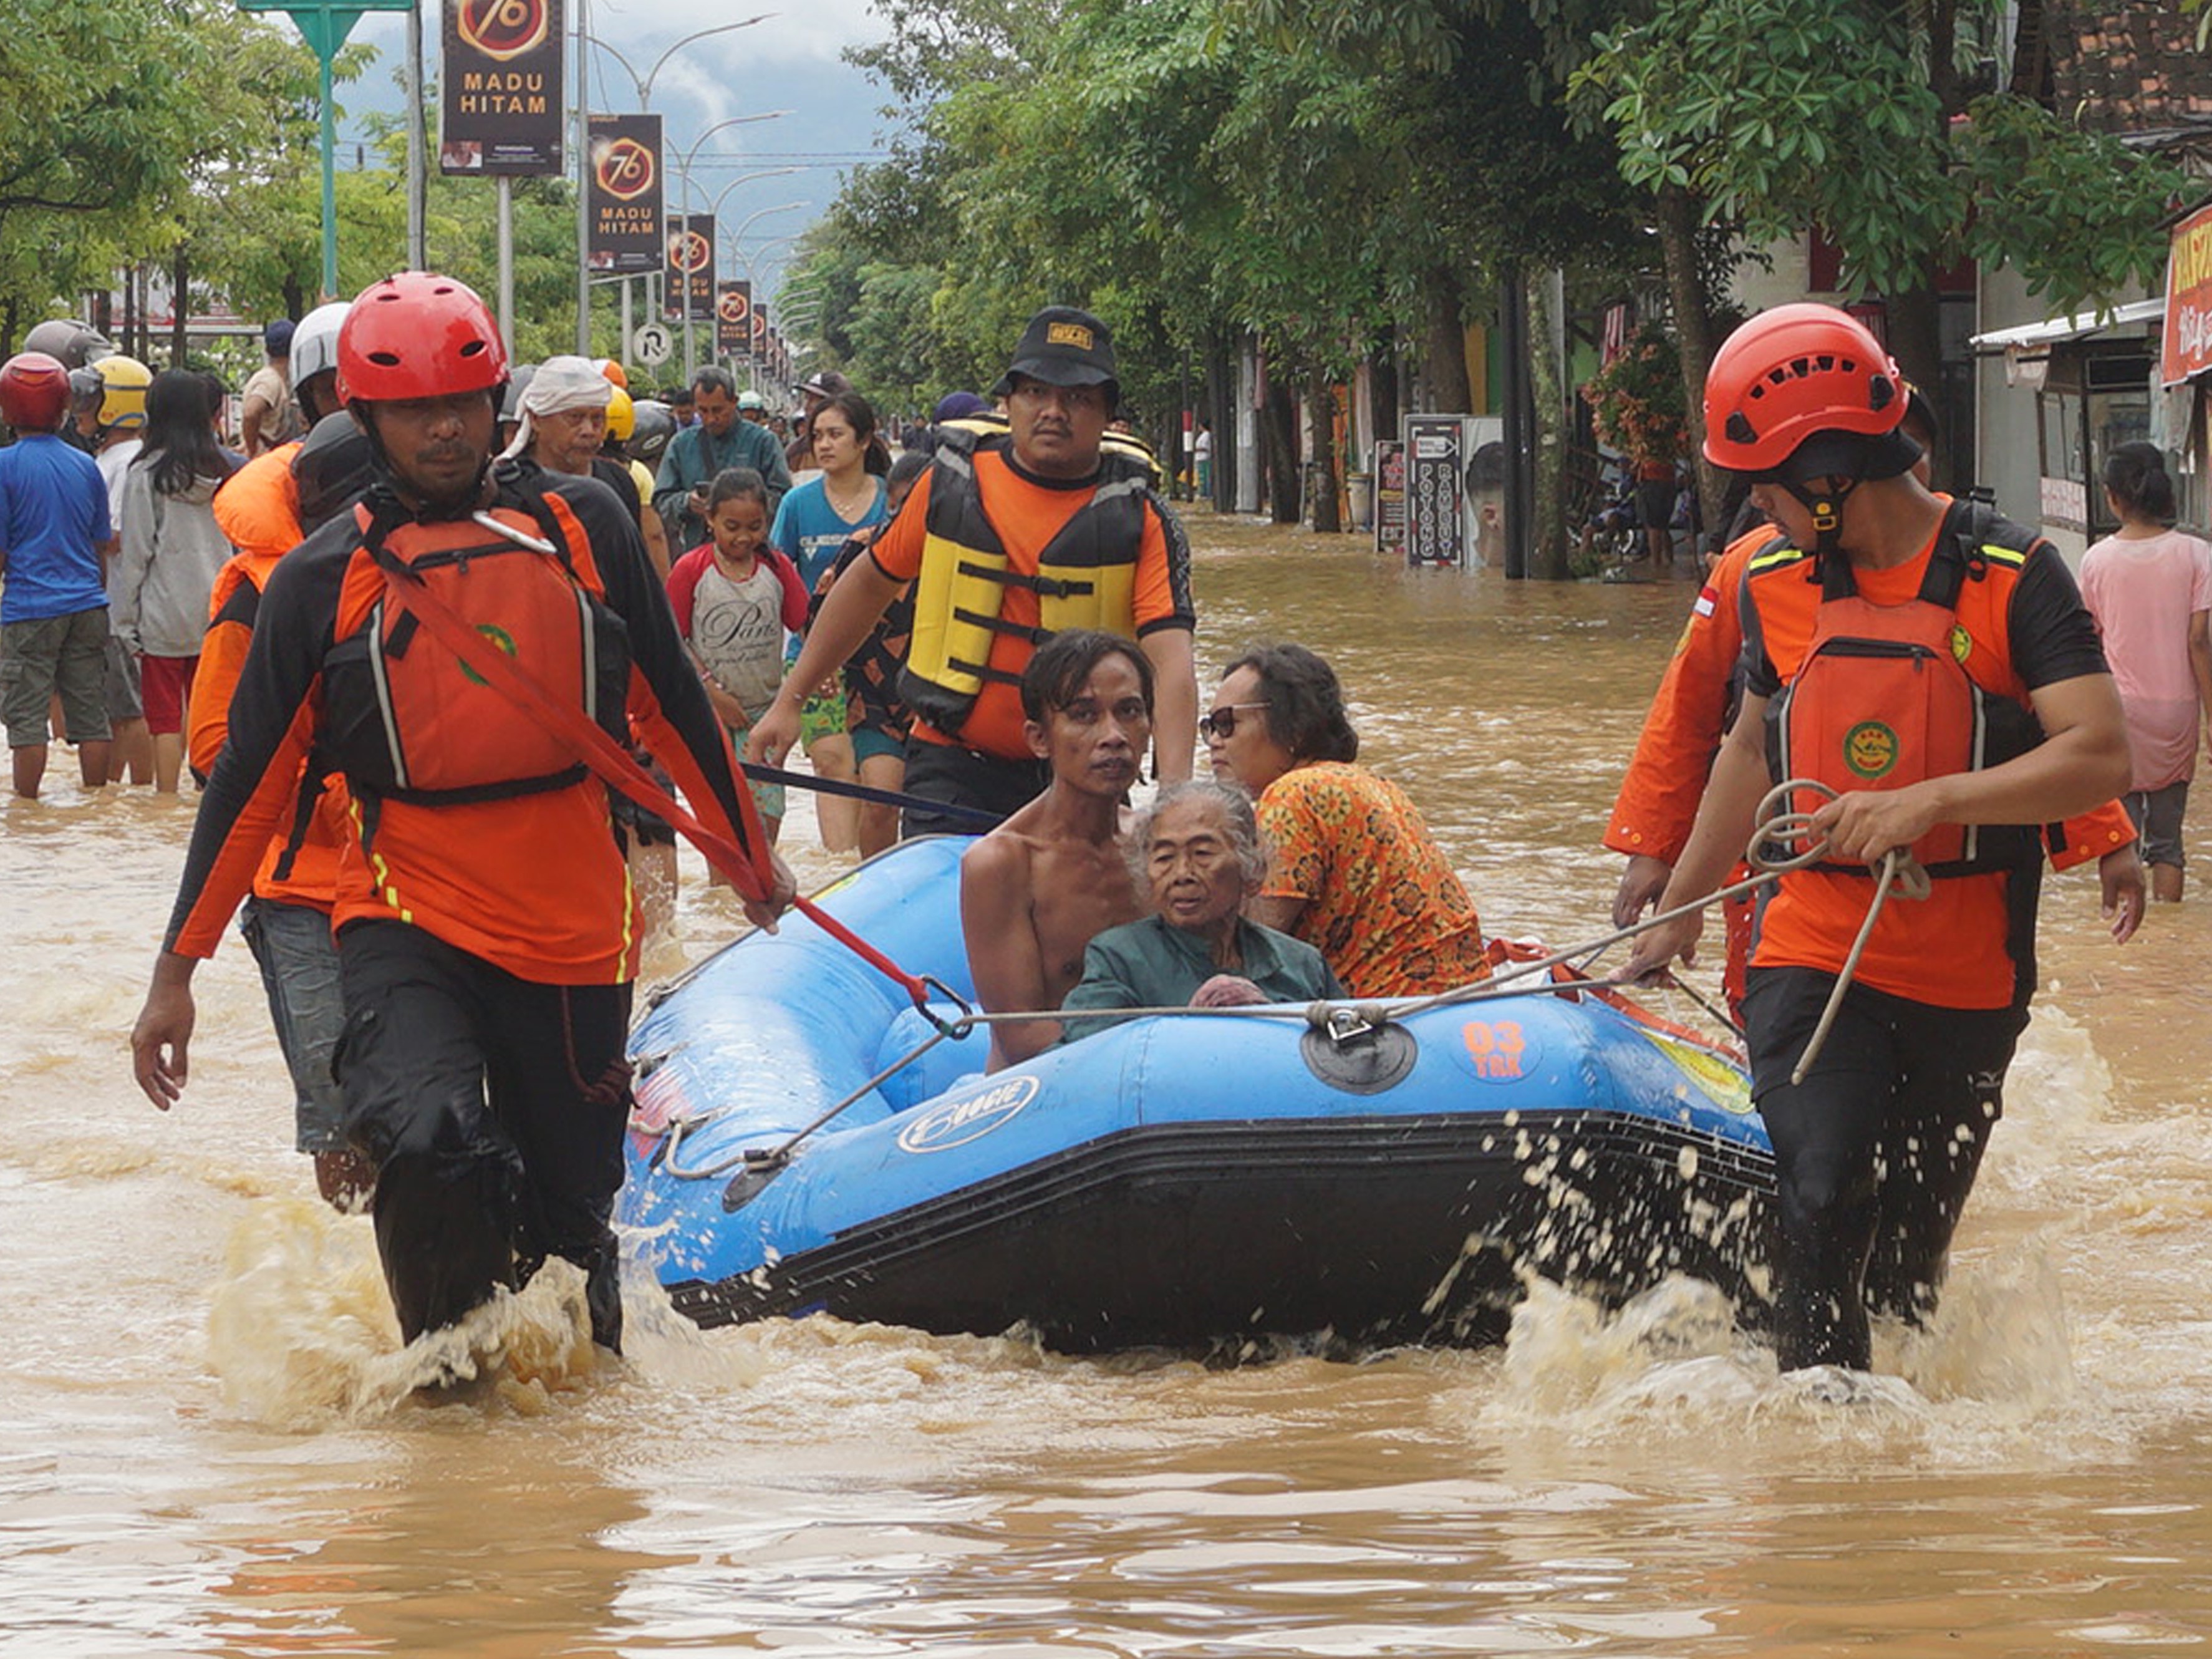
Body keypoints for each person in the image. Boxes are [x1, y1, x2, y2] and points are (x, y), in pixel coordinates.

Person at [130, 271, 794, 1370]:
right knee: (428, 1137)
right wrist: (175, 974)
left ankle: (577, 1423)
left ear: (497, 405)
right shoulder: (317, 581)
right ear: (365, 419)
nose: (442, 428)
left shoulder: (584, 525)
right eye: (411, 409)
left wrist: (748, 860)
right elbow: (247, 785)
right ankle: (444, 1401)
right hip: (405, 910)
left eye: (460, 403)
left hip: (571, 918)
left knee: (571, 1224)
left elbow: (669, 705)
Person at [1616, 302, 2130, 1375]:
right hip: (1811, 947)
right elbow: (1747, 750)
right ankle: (1820, 1448)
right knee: (1816, 1194)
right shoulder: (1769, 580)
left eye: (1763, 487)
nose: (1753, 511)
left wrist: (1929, 803)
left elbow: (2097, 754)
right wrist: (1679, 910)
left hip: (1965, 972)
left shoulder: (2013, 573)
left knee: (1901, 1273)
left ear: (1828, 474)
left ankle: (1894, 1457)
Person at [1606, 386, 2145, 1018]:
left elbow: (2034, 728)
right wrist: (1659, 856)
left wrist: (2108, 837)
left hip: (1947, 924)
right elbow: (1694, 715)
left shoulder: (1995, 571)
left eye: (1912, 448)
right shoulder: (1756, 569)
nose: (1905, 467)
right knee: (1775, 1017)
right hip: (1787, 882)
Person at [750, 306, 1198, 836]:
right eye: (1036, 392)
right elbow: (868, 585)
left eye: (1078, 398)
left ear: (1107, 415)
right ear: (1008, 402)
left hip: (1084, 778)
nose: (1053, 412)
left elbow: (1171, 664)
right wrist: (790, 701)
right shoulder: (949, 486)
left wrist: (1174, 800)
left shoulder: (1141, 519)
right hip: (952, 766)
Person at [191, 410, 379, 1211]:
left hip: (414, 880)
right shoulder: (254, 598)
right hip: (300, 891)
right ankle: (349, 1260)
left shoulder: (430, 571)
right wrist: (328, 788)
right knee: (338, 1116)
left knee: (431, 1102)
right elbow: (212, 750)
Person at [1205, 642, 1487, 997]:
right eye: (1209, 727)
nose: (1213, 741)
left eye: (1227, 723)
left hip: (1393, 1008)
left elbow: (1258, 946)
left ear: (1292, 729)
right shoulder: (1374, 783)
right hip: (1468, 994)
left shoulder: (1292, 795)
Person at [960, 629, 1155, 1071]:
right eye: (1084, 715)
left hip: (1156, 1073)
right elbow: (1022, 1036)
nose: (1113, 736)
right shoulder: (1003, 863)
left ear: (1149, 728)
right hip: (1048, 1086)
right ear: (1039, 739)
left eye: (1129, 711)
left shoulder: (1158, 844)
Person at [1061, 780, 1343, 1038]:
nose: (1182, 874)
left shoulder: (1302, 964)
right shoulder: (1119, 958)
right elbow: (1085, 1047)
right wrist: (1189, 1028)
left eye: (1202, 854)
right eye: (1164, 857)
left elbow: (1352, 1050)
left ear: (1253, 868)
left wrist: (1272, 1025)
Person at [2080, 442, 2212, 903]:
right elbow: (2198, 642)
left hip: (2120, 710)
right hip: (2176, 712)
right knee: (2168, 844)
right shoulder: (2196, 554)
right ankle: (2169, 937)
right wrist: (2211, 718)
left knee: (2121, 841)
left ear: (2112, 497)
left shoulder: (2096, 559)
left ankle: (2128, 940)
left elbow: (2088, 642)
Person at [771, 390, 891, 854]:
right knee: (830, 764)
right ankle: (840, 871)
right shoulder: (796, 505)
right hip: (813, 656)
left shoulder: (891, 501)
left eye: (835, 435)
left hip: (884, 662)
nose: (823, 445)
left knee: (875, 772)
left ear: (864, 440)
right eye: (817, 435)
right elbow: (779, 579)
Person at [111, 369, 238, 793]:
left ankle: (165, 803)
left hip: (163, 612)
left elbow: (137, 555)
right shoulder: (224, 472)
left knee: (164, 718)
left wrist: (125, 621)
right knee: (208, 713)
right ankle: (205, 800)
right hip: (217, 608)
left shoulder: (146, 474)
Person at [668, 467, 809, 843]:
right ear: (710, 519)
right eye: (732, 527)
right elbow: (673, 640)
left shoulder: (776, 569)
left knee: (766, 827)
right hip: (709, 714)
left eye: (755, 527)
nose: (744, 538)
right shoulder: (691, 570)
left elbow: (805, 626)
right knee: (724, 830)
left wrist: (811, 686)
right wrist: (712, 692)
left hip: (765, 715)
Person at [0, 351, 115, 798]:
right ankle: (97, 807)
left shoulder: (5, 467)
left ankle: (27, 815)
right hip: (88, 605)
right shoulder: (86, 465)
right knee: (91, 715)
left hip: (30, 608)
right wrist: (95, 596)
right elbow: (99, 544)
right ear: (64, 408)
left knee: (27, 721)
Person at [813, 450, 928, 857]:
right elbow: (822, 612)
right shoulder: (863, 547)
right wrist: (821, 671)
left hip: (937, 699)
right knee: (880, 802)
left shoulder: (958, 552)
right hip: (872, 696)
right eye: (897, 507)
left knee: (930, 813)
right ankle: (876, 879)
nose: (904, 518)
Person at [74, 354, 155, 785]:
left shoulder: (126, 463)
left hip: (120, 603)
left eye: (88, 402)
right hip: (108, 602)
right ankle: (111, 795)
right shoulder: (110, 460)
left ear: (114, 407)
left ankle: (145, 793)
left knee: (129, 710)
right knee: (116, 708)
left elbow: (118, 535)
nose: (79, 411)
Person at [652, 365, 792, 554]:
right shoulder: (681, 445)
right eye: (703, 411)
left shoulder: (763, 442)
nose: (711, 419)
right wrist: (686, 502)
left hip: (753, 554)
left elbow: (783, 498)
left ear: (734, 402)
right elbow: (661, 501)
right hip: (699, 554)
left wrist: (745, 507)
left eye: (718, 410)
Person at [239, 319, 301, 458]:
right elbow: (251, 413)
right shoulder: (270, 381)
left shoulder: (276, 378)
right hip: (261, 457)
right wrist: (252, 449)